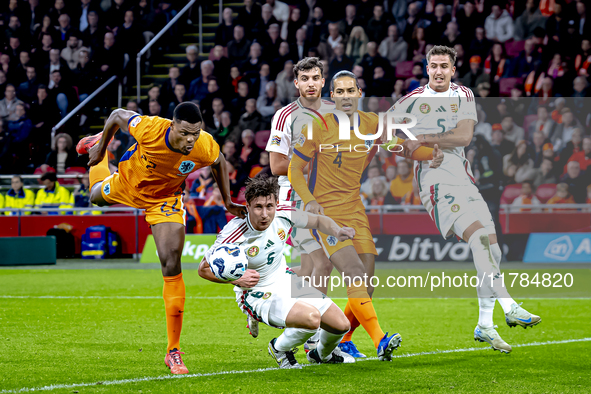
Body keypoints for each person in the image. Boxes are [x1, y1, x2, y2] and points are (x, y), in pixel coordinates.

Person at [388, 45, 541, 354]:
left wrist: (426, 139)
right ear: (427, 68)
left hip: (464, 176)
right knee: (480, 240)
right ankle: (509, 306)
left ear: (453, 69)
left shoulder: (464, 95)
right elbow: (383, 133)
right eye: (434, 65)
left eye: (444, 65)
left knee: (493, 249)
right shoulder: (412, 100)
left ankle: (485, 325)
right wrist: (407, 148)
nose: (439, 71)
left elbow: (463, 137)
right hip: (434, 178)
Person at [75, 102, 246, 375]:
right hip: (127, 182)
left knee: (171, 263)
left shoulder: (204, 144)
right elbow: (117, 115)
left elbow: (219, 161)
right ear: (172, 125)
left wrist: (227, 201)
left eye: (196, 133)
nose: (190, 140)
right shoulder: (151, 128)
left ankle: (173, 351)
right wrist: (99, 147)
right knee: (95, 196)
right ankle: (101, 147)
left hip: (164, 200)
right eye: (185, 133)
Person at [290, 70, 442, 359]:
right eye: (340, 91)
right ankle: (380, 339)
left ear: (359, 93)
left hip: (354, 209)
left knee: (367, 283)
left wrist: (428, 155)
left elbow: (400, 148)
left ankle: (342, 340)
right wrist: (309, 201)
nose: (346, 96)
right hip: (325, 213)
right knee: (354, 273)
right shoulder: (316, 127)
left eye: (351, 91)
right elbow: (294, 168)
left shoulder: (373, 124)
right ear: (331, 96)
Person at [198, 175, 355, 368]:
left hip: (286, 280)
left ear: (276, 204)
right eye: (258, 207)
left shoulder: (284, 213)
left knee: (341, 325)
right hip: (256, 292)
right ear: (247, 207)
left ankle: (321, 354)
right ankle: (279, 348)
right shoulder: (234, 232)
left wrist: (337, 230)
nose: (265, 214)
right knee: (312, 319)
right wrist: (237, 279)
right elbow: (203, 269)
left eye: (269, 206)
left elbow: (318, 221)